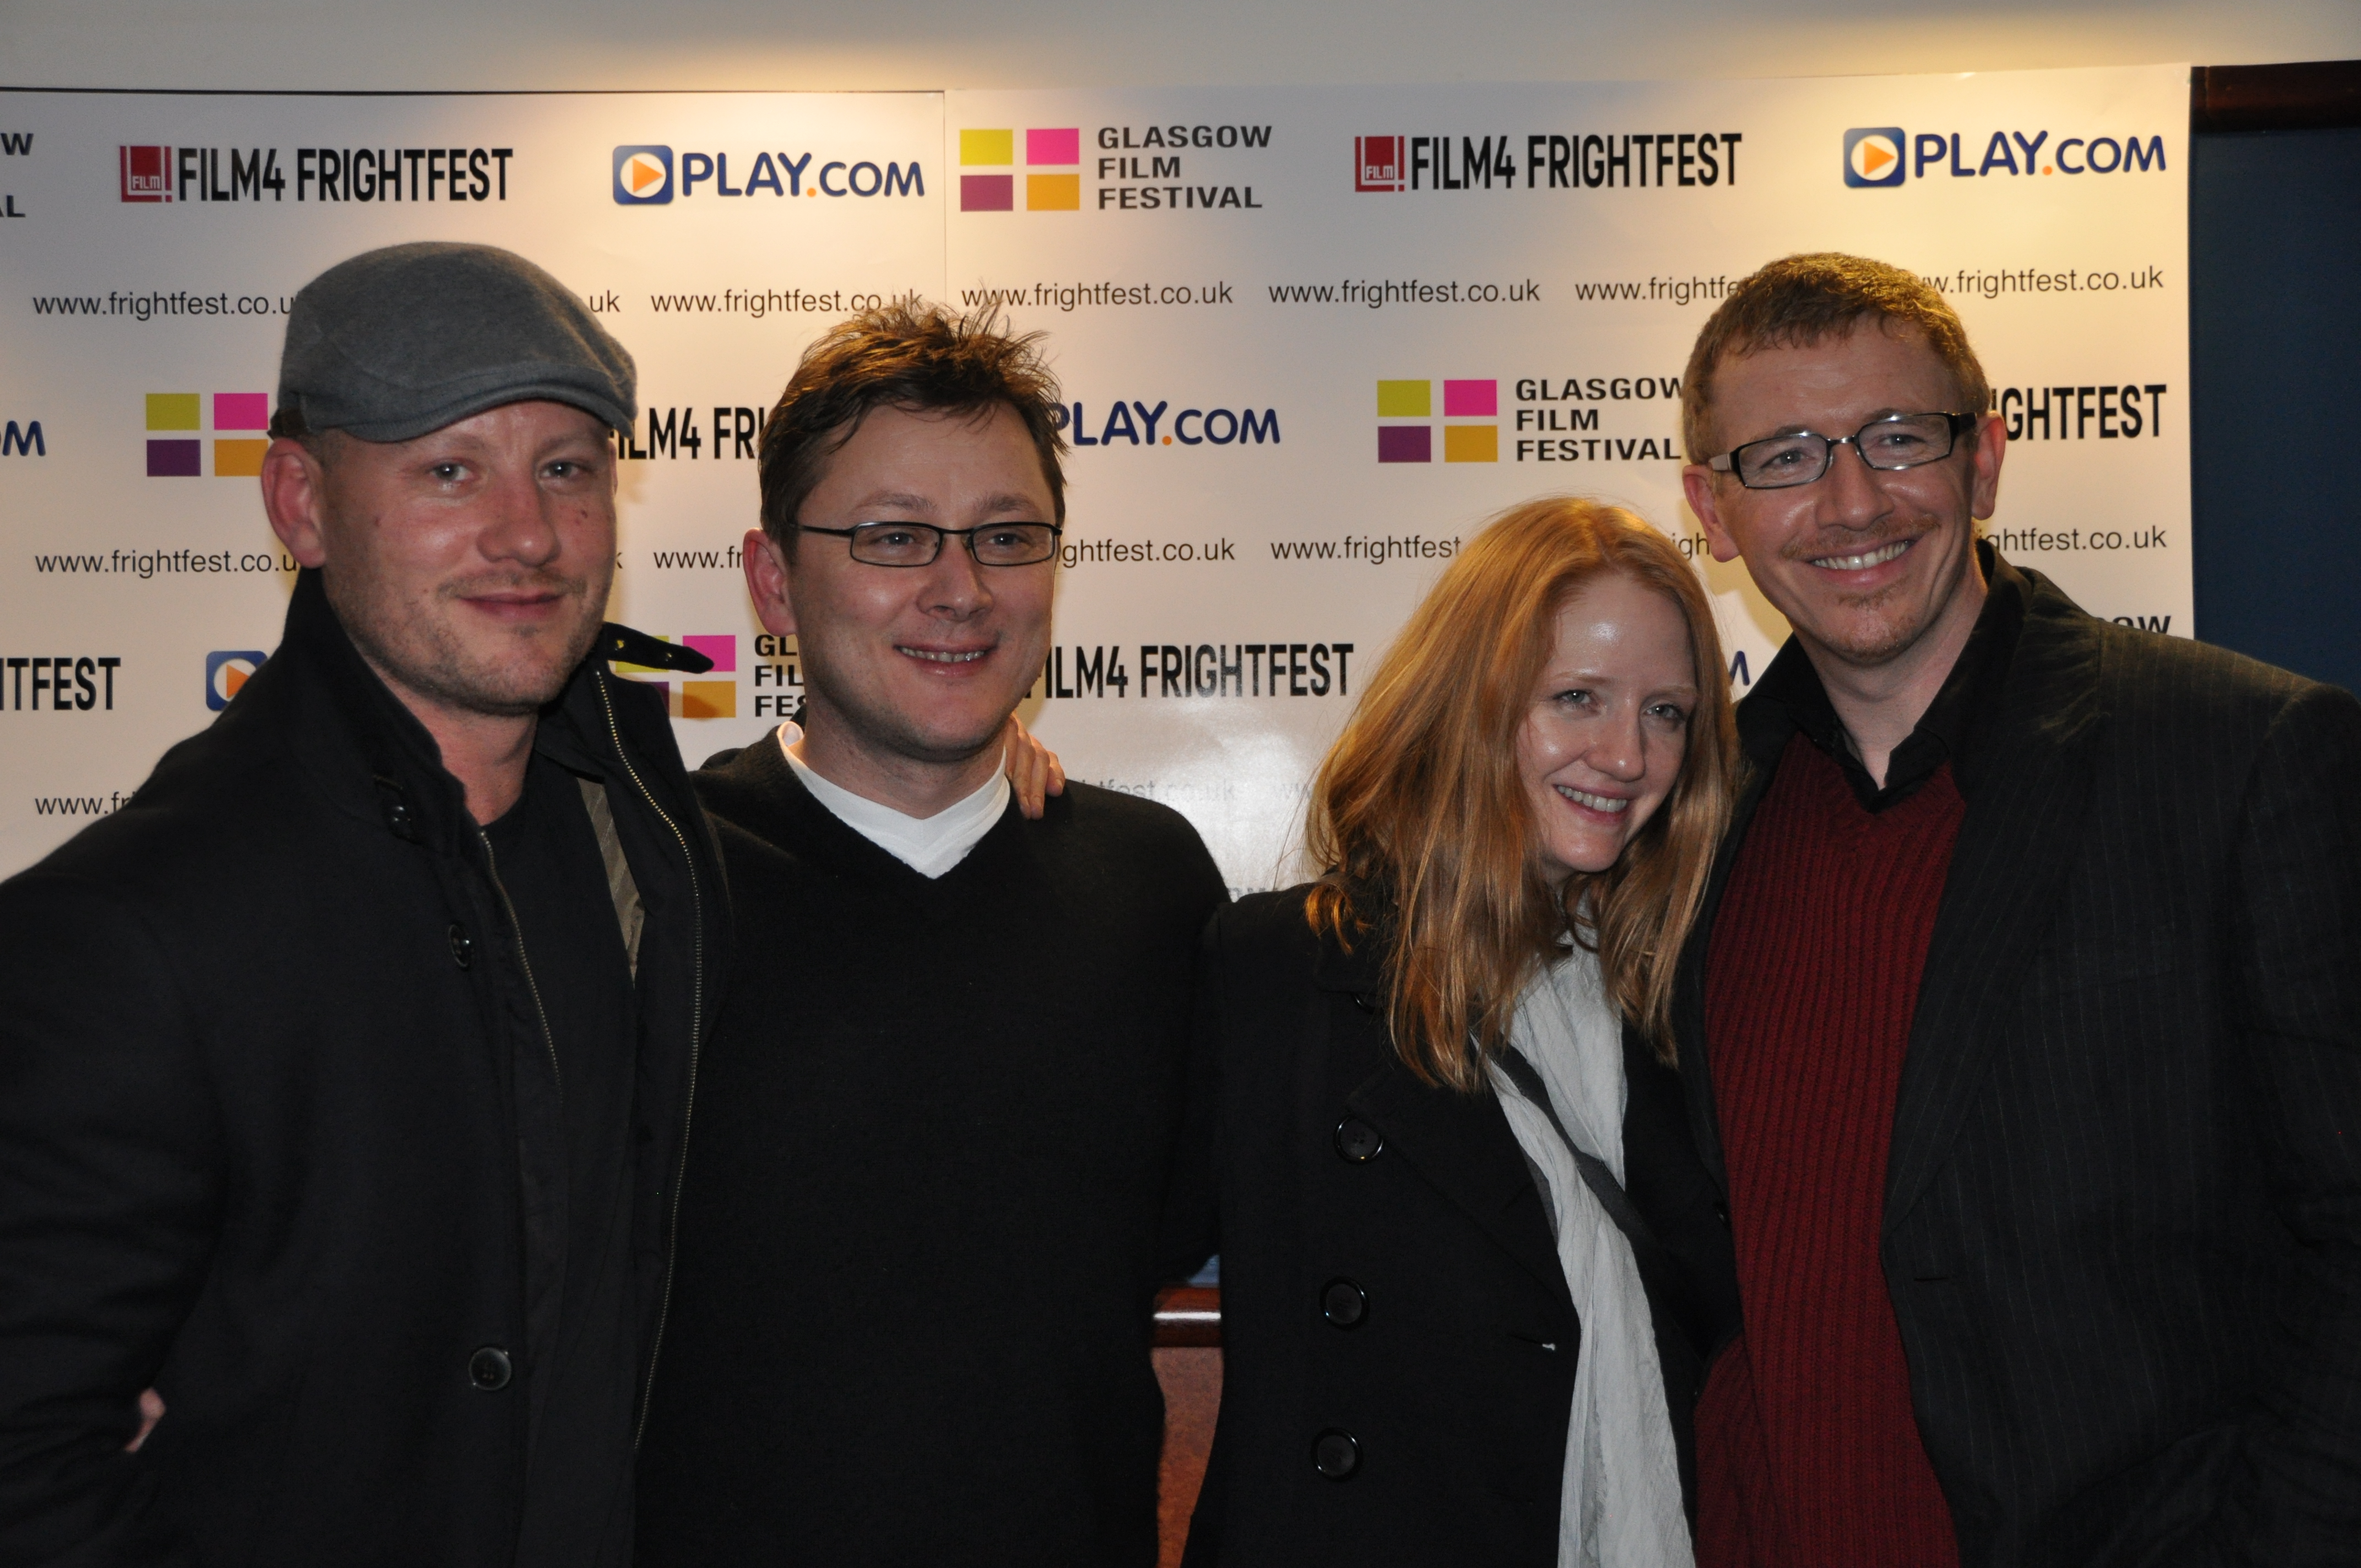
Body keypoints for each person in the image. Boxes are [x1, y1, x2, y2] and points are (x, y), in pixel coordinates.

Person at [0, 241, 728, 1565]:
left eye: (565, 468)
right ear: (301, 503)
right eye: (448, 469)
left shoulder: (649, 846)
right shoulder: (129, 925)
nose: (527, 531)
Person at [1674, 252, 2361, 1566]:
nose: (1849, 500)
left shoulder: (2244, 758)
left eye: (1895, 436)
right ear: (1712, 510)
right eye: (1784, 456)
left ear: (1982, 460)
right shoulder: (1690, 819)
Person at [632, 301, 1230, 1567]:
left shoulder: (1149, 884)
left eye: (1005, 536)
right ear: (770, 579)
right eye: (893, 536)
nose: (959, 589)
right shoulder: (650, 885)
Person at [1178, 498, 1743, 1567]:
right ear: (1465, 703)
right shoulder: (1279, 971)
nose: (1626, 754)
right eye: (1575, 698)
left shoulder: (1689, 995)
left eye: (1667, 712)